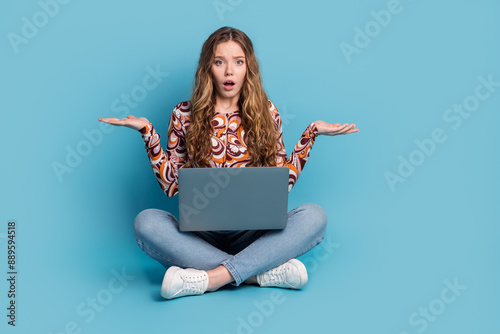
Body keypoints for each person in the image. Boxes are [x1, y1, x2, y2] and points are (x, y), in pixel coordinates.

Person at [98, 26, 359, 300]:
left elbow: (282, 185)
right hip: (201, 236)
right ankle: (258, 272)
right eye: (219, 62)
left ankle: (210, 278)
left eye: (238, 62)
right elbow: (172, 187)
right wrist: (148, 133)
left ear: (249, 67)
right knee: (146, 223)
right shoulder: (183, 114)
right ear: (208, 67)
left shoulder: (266, 112)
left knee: (314, 217)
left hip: (254, 234)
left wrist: (311, 134)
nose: (229, 71)